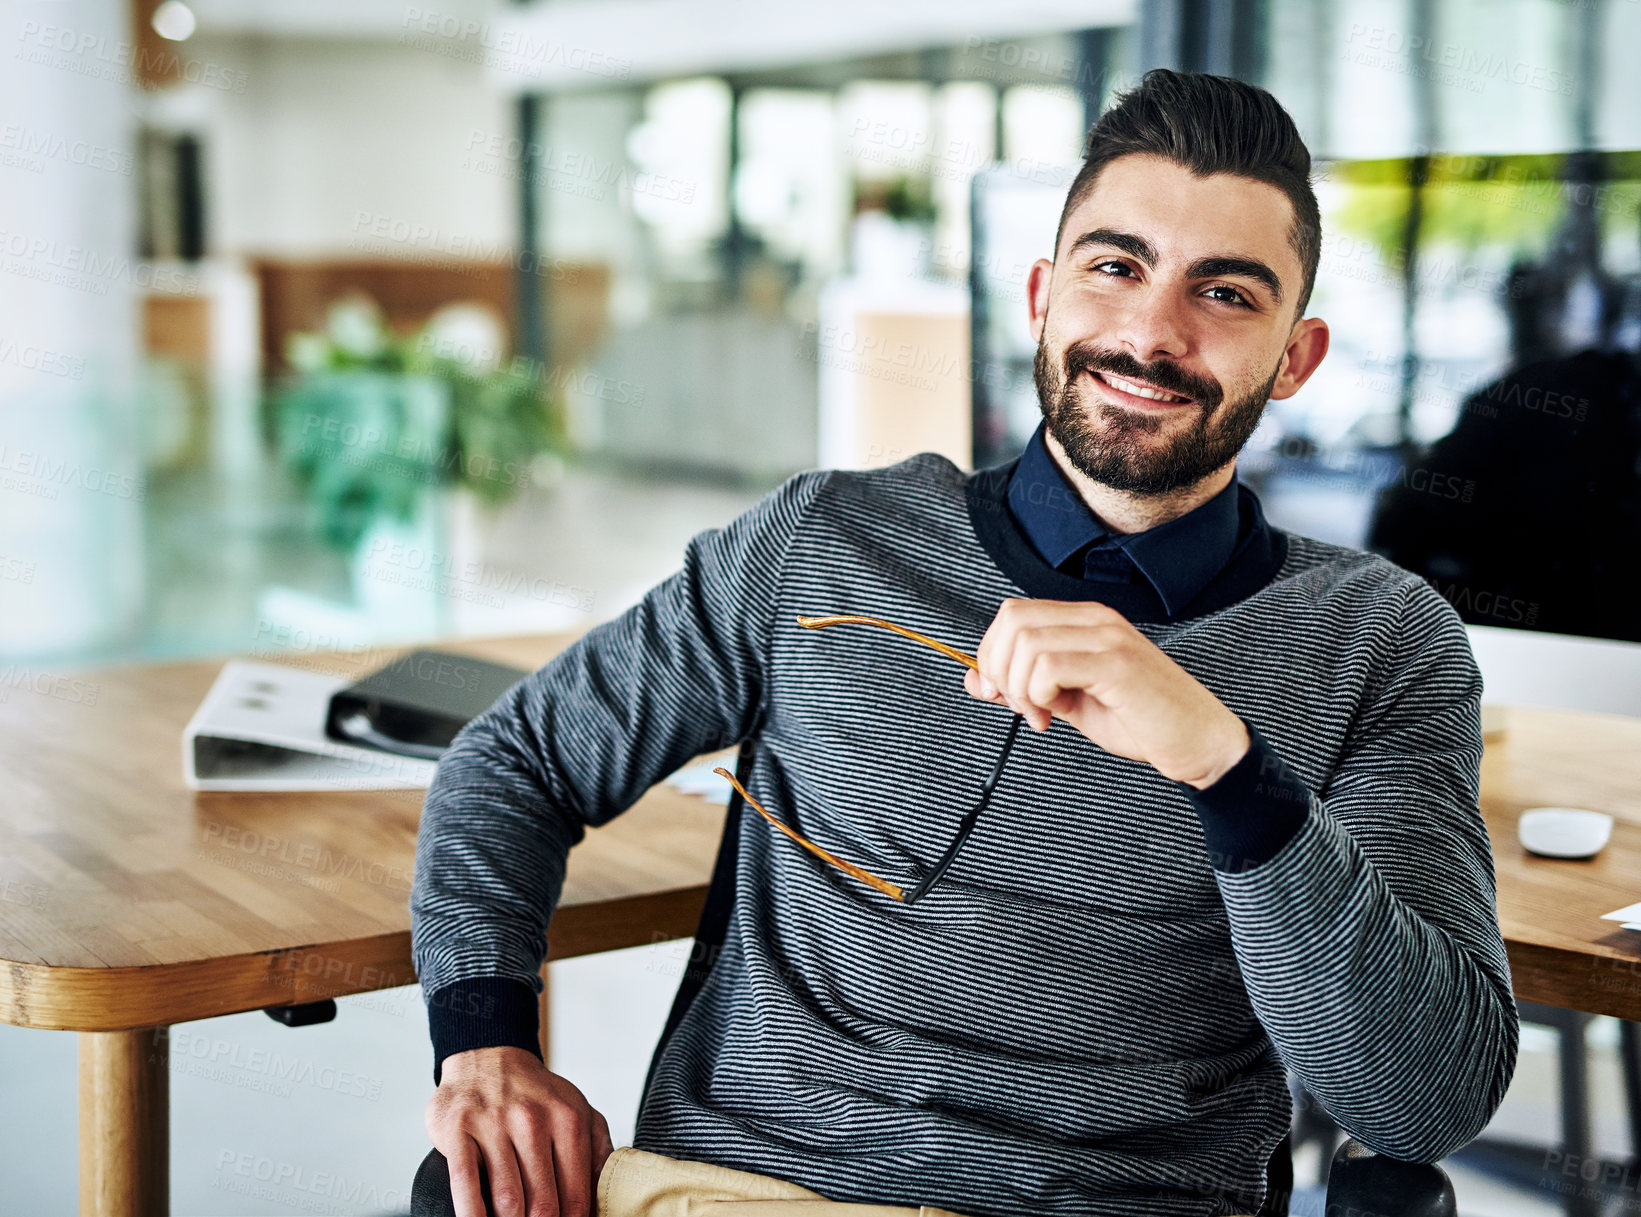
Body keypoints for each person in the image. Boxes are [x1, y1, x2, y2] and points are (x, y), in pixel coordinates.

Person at [410, 68, 1519, 1217]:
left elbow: (1421, 1105)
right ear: (1042, 294)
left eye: (1226, 293)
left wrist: (1228, 769)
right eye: (1115, 266)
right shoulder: (823, 539)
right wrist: (483, 1043)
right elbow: (517, 761)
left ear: (1296, 357)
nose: (1150, 330)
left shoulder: (1385, 642)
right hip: (744, 1191)